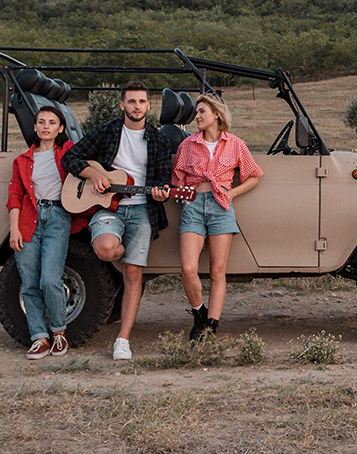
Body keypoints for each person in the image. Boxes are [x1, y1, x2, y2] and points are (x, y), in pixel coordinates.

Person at [62, 81, 171, 360]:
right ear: (122, 104)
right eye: (131, 101)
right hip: (107, 208)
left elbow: (162, 180)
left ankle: (123, 339)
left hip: (141, 210)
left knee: (133, 274)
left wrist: (161, 193)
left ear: (148, 106)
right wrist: (93, 175)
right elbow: (71, 157)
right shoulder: (107, 131)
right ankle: (126, 254)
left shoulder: (158, 140)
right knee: (106, 249)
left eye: (142, 102)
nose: (137, 107)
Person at [171, 94, 263, 341]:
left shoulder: (235, 144)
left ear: (216, 115)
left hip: (221, 206)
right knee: (188, 268)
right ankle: (199, 314)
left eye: (202, 112)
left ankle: (211, 326)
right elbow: (176, 181)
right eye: (197, 112)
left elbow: (254, 176)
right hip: (192, 207)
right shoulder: (187, 146)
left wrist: (231, 193)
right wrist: (174, 193)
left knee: (217, 271)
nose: (197, 117)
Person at [6, 106, 89, 360]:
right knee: (29, 283)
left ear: (60, 128)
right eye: (41, 122)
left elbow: (85, 168)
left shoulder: (67, 152)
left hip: (57, 218)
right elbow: (15, 196)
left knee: (50, 280)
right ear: (34, 127)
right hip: (28, 222)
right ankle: (39, 338)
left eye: (52, 123)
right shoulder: (22, 160)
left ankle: (59, 333)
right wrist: (14, 229)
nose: (45, 126)